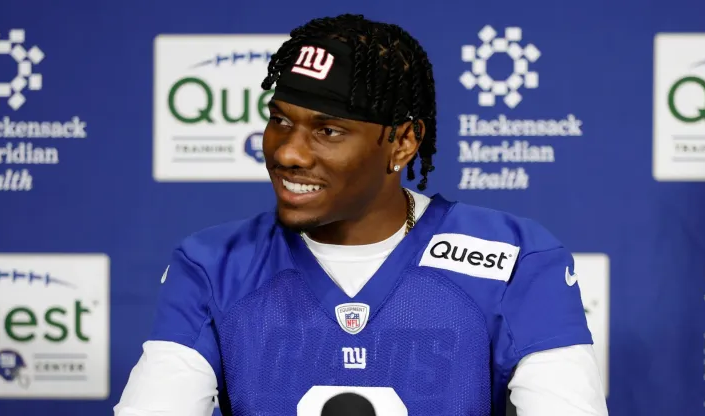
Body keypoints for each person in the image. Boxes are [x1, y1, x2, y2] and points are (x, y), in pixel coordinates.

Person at [115, 14, 608, 416]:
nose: (288, 152)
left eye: (328, 131)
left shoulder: (516, 256)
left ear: (403, 142)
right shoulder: (213, 263)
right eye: (279, 120)